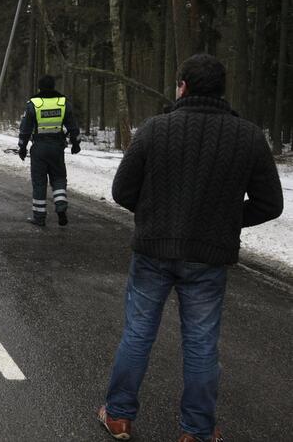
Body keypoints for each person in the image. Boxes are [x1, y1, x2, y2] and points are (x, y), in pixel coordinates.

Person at [97, 54, 283, 442]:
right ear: (221, 89)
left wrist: (154, 214)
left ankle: (118, 417)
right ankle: (196, 432)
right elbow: (270, 204)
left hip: (153, 250)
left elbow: (122, 191)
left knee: (138, 333)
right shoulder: (249, 136)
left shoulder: (154, 129)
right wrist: (225, 221)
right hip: (209, 256)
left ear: (182, 86)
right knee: (201, 343)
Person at [18, 75, 81, 227]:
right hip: (57, 147)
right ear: (53, 86)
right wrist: (76, 143)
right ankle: (60, 206)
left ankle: (39, 217)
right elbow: (73, 126)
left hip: (39, 148)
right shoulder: (63, 103)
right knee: (58, 178)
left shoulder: (34, 104)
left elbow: (25, 129)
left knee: (39, 182)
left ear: (39, 88)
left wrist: (22, 147)